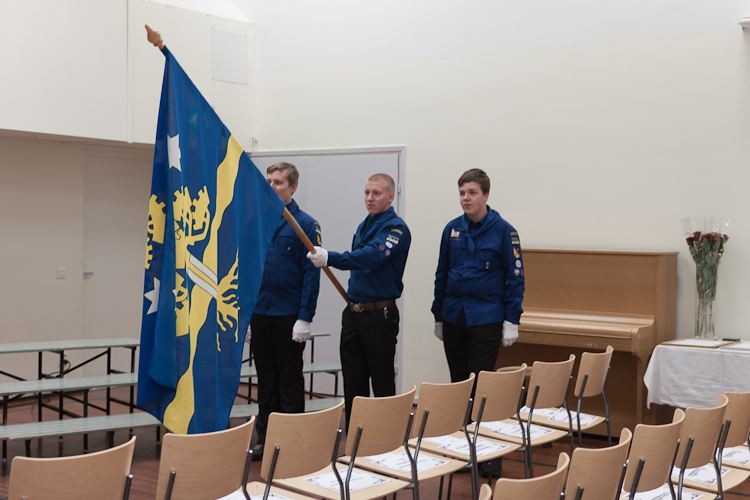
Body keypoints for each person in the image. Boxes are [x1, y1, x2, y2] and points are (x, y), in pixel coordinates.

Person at [306, 173, 410, 427]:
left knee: (381, 381)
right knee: (353, 380)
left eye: (376, 193)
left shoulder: (396, 229)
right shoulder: (365, 225)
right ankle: (356, 434)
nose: (370, 198)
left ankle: (386, 436)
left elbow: (371, 257)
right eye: (366, 193)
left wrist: (331, 258)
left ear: (391, 196)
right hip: (354, 313)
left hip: (379, 316)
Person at [248, 162, 322, 459]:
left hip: (289, 316)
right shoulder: (257, 222)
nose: (271, 186)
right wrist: (246, 315)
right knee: (266, 380)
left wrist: (305, 317)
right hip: (261, 313)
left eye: (278, 182)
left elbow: (311, 276)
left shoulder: (306, 224)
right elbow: (248, 271)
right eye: (268, 181)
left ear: (292, 187)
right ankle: (265, 440)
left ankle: (291, 442)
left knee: (289, 381)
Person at [432, 168, 525, 384]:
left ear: (486, 195)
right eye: (462, 193)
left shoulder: (505, 231)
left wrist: (512, 320)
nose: (466, 198)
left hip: (485, 319)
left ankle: (476, 410)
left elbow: (515, 280)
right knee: (458, 383)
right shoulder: (452, 229)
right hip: (453, 316)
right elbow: (442, 274)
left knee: (478, 384)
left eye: (472, 193)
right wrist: (438, 316)